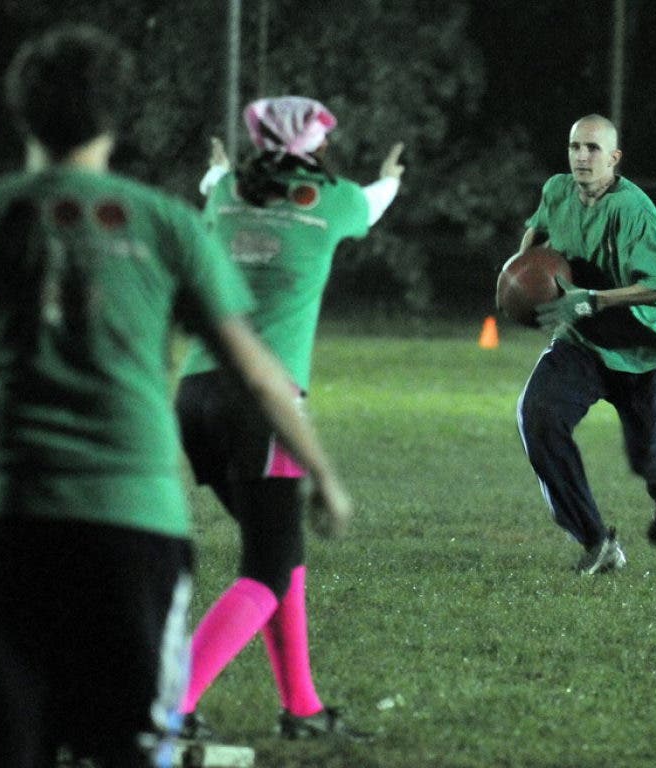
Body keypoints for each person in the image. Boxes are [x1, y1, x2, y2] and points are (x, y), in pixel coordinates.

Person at [0, 27, 351, 768]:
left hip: (6, 516)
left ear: (19, 112)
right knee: (129, 746)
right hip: (137, 524)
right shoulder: (166, 224)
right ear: (119, 116)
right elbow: (257, 373)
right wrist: (323, 477)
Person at [174, 96, 404, 739]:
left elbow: (217, 182)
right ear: (320, 149)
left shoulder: (224, 197)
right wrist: (390, 176)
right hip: (263, 404)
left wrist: (216, 172)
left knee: (281, 553)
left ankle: (301, 708)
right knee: (269, 568)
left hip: (195, 396)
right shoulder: (332, 203)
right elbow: (375, 202)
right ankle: (169, 703)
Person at [509, 114, 656, 575]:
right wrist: (518, 271)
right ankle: (597, 542)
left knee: (646, 458)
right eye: (575, 146)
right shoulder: (557, 190)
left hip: (641, 347)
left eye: (593, 149)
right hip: (582, 342)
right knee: (538, 415)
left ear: (614, 158)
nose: (582, 156)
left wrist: (594, 300)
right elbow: (537, 232)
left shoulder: (634, 209)